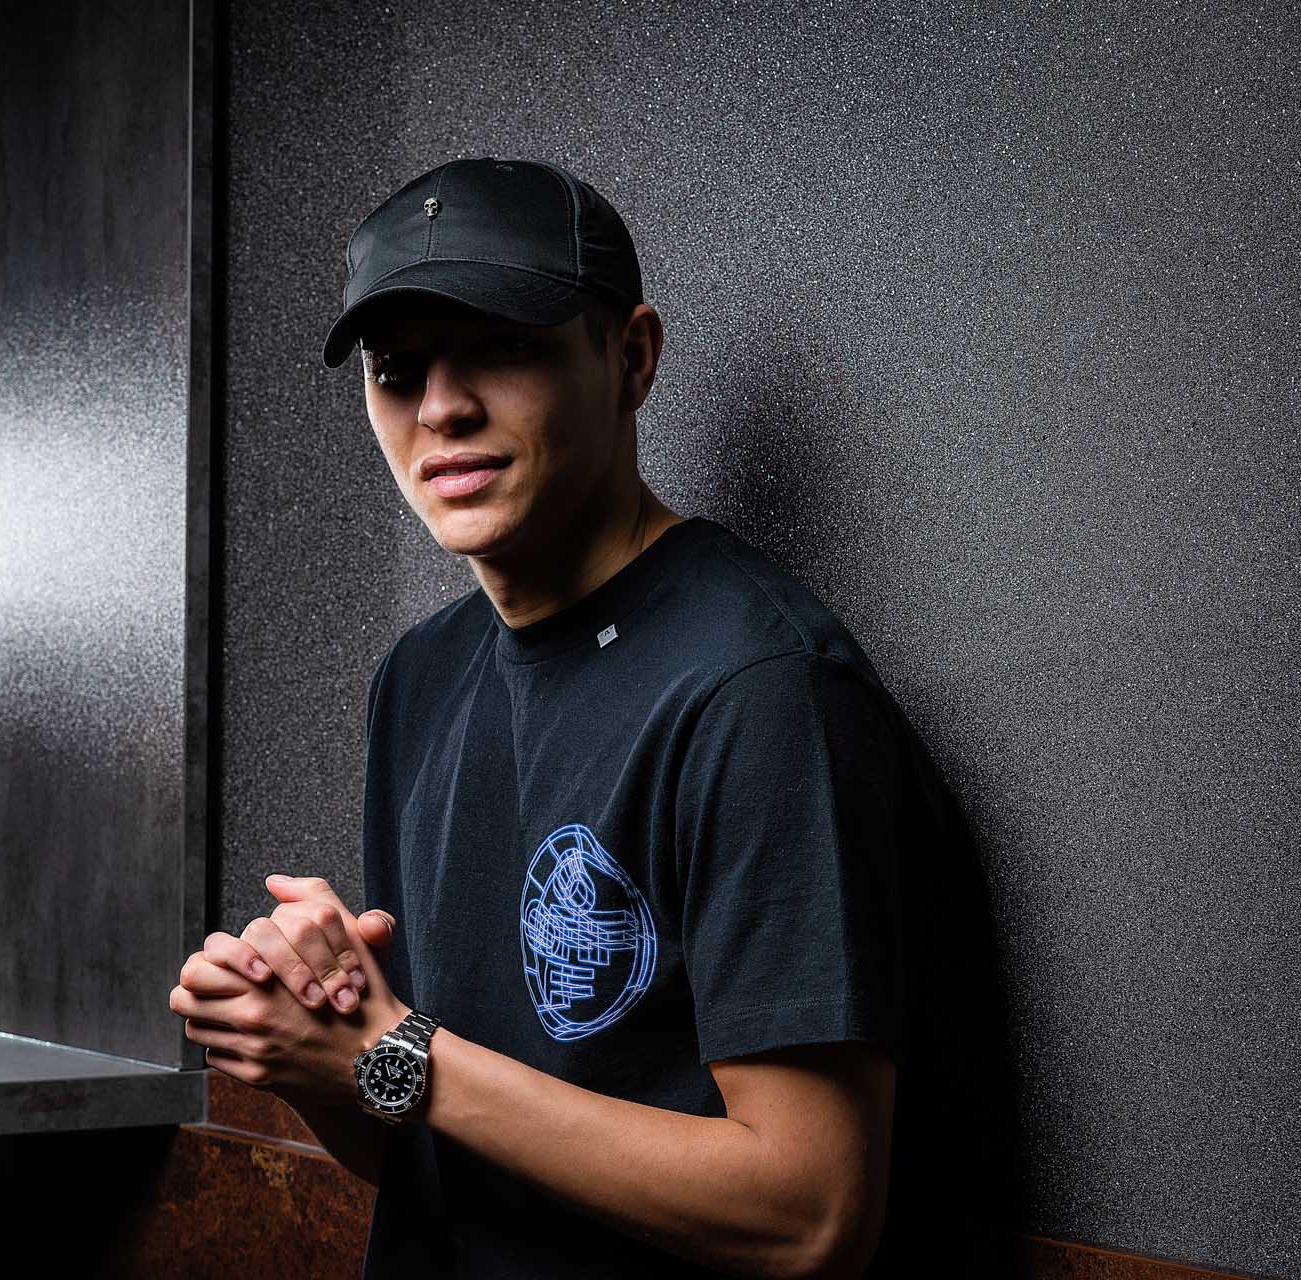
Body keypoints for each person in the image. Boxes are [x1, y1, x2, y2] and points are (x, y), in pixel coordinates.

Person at [170, 156, 986, 1277]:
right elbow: (441, 1151)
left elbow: (810, 1215)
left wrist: (397, 1051)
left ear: (631, 357)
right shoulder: (420, 676)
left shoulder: (761, 691)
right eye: (398, 368)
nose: (441, 407)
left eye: (502, 345)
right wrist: (315, 1044)